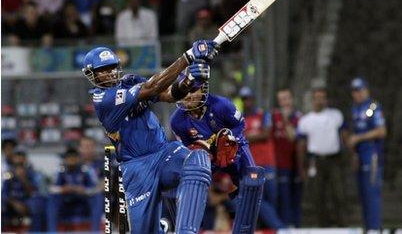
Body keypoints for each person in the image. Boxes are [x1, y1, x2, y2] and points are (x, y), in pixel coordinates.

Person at [81, 39, 219, 233]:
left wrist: (188, 82)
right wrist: (188, 58)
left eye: (112, 67)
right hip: (136, 169)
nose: (110, 73)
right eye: (103, 70)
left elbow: (169, 95)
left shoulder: (129, 81)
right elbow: (151, 88)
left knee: (197, 161)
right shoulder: (103, 99)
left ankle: (186, 230)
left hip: (163, 153)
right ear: (92, 75)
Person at [169, 83, 265, 233]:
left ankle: (244, 230)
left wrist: (229, 140)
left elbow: (240, 125)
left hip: (232, 151)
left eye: (193, 90)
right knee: (189, 181)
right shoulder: (176, 120)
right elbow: (186, 149)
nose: (188, 95)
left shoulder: (221, 105)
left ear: (203, 89)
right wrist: (201, 151)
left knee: (254, 181)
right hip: (206, 157)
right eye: (184, 91)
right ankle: (185, 229)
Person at [296, 87, 346, 227]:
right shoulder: (306, 120)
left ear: (326, 99)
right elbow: (301, 145)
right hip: (315, 161)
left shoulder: (336, 115)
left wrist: (352, 154)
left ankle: (342, 225)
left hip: (334, 158)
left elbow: (345, 135)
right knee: (318, 195)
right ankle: (323, 226)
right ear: (313, 100)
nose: (320, 100)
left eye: (323, 97)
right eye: (317, 97)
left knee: (339, 193)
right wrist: (302, 166)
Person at [240, 86, 286, 229]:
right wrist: (253, 136)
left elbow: (266, 134)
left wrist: (248, 137)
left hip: (268, 162)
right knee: (258, 198)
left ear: (253, 99)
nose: (247, 102)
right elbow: (238, 138)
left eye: (248, 99)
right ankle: (277, 228)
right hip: (252, 164)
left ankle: (274, 227)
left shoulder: (263, 114)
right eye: (244, 99)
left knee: (272, 196)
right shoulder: (239, 118)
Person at [347, 78, 387, 230]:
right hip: (360, 156)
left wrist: (359, 138)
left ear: (366, 90)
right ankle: (367, 227)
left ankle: (375, 229)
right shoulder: (354, 109)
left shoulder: (373, 107)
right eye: (355, 91)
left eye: (360, 90)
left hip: (372, 156)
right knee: (363, 196)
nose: (358, 93)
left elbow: (381, 131)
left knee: (372, 194)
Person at [47, 148, 100, 232]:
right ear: (65, 159)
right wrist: (63, 189)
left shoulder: (86, 169)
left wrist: (84, 190)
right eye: (69, 157)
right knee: (52, 198)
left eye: (74, 157)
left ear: (78, 158)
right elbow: (51, 189)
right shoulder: (60, 170)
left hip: (82, 200)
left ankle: (95, 231)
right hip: (66, 200)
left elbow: (95, 189)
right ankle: (52, 231)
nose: (72, 160)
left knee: (97, 197)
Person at [271, 89, 302, 227]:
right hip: (279, 163)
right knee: (283, 197)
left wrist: (286, 120)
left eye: (287, 98)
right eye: (281, 99)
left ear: (292, 99)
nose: (285, 102)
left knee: (296, 197)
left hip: (295, 163)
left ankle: (296, 226)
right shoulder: (273, 117)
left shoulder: (298, 117)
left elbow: (293, 137)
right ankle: (285, 226)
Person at [2, 149, 44, 232]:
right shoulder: (9, 173)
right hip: (13, 202)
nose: (19, 159)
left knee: (37, 206)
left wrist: (23, 179)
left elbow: (34, 192)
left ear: (25, 160)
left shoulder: (33, 173)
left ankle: (35, 232)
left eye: (21, 157)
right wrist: (14, 203)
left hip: (27, 201)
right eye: (17, 157)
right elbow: (4, 193)